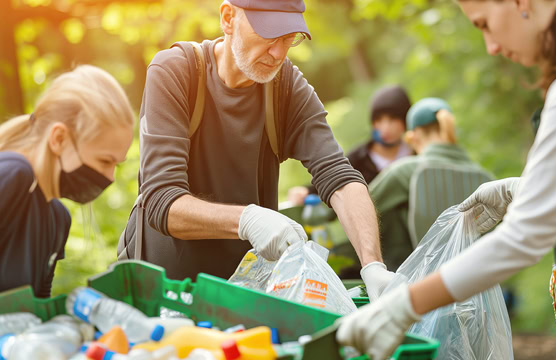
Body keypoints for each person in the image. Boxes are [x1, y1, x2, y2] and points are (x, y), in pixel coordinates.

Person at [337, 0, 556, 359]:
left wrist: (403, 306)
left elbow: (523, 238)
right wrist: (520, 189)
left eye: (484, 24)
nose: (491, 47)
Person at [119, 0, 395, 300]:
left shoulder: (285, 88)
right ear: (228, 18)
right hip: (164, 297)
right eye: (269, 35)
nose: (279, 53)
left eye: (289, 38)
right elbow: (162, 201)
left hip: (246, 300)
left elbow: (340, 178)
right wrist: (248, 220)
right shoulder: (176, 71)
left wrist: (373, 265)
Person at [0, 65, 135, 297]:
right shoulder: (13, 175)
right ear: (59, 138)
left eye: (117, 165)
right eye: (104, 161)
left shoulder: (57, 219)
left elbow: (36, 310)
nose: (110, 177)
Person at [369, 97, 491, 270]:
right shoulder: (485, 177)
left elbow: (362, 207)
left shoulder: (404, 172)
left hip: (425, 284)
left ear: (414, 137)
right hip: (481, 281)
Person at [286, 85, 412, 205]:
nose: (385, 128)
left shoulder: (415, 151)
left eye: (392, 120)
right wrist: (305, 191)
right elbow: (333, 179)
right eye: (379, 120)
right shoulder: (359, 159)